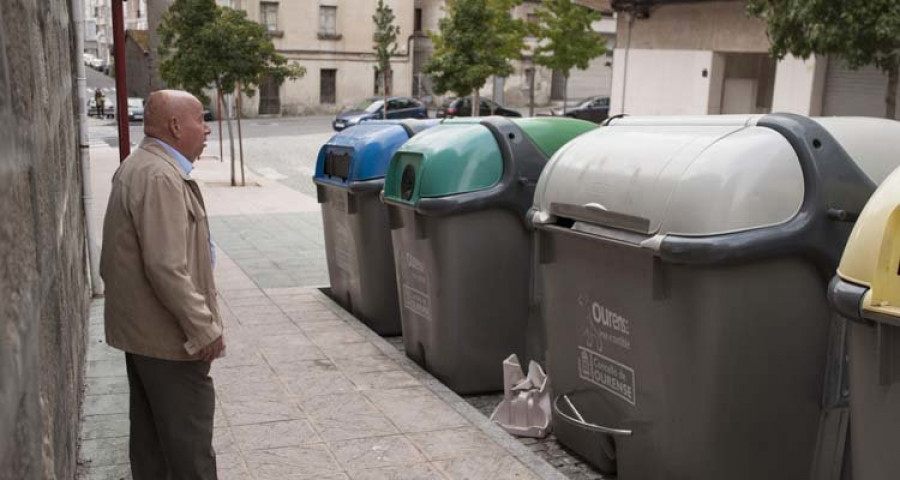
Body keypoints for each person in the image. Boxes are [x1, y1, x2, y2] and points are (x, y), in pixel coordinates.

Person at [100, 89, 222, 479]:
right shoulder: (159, 176)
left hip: (146, 336)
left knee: (155, 446)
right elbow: (166, 267)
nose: (206, 130)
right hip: (168, 342)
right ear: (174, 125)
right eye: (200, 120)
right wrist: (204, 329)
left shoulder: (142, 167)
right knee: (189, 449)